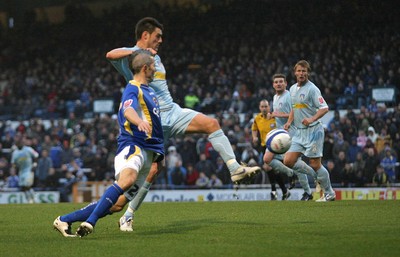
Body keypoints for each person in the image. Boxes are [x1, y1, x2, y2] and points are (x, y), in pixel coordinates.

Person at [106, 17, 260, 230]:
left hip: (172, 111)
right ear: (145, 35)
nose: (161, 40)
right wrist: (137, 54)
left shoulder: (156, 58)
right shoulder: (132, 57)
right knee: (152, 171)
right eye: (157, 36)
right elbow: (110, 55)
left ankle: (235, 169)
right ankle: (126, 213)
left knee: (212, 124)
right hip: (153, 121)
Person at [53, 49, 164, 237]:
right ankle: (90, 223)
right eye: (153, 66)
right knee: (126, 180)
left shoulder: (150, 92)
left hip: (149, 153)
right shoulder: (133, 87)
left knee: (118, 204)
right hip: (133, 146)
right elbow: (128, 111)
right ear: (145, 68)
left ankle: (64, 220)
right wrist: (139, 122)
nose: (156, 69)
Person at [283, 60, 336, 202]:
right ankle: (316, 175)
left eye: (304, 71)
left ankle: (329, 193)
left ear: (308, 73)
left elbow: (324, 108)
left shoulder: (313, 89)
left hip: (313, 131)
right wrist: (289, 122)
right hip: (299, 132)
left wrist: (312, 119)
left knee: (315, 163)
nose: (301, 73)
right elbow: (294, 108)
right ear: (295, 73)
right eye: (299, 71)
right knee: (288, 160)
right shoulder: (293, 89)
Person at [265, 74, 313, 201]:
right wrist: (272, 116)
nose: (278, 84)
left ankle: (308, 192)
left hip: (292, 133)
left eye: (281, 81)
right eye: (276, 82)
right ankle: (290, 174)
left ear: (286, 83)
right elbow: (278, 114)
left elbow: (295, 112)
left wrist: (282, 117)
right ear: (273, 85)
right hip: (280, 134)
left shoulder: (289, 96)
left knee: (295, 163)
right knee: (267, 159)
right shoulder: (275, 97)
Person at [252, 99, 290, 200]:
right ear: (260, 108)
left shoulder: (274, 117)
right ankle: (284, 191)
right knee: (274, 170)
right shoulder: (257, 118)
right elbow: (254, 128)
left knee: (268, 167)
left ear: (269, 107)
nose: (264, 109)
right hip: (264, 146)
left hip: (275, 147)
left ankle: (274, 191)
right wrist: (254, 137)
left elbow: (289, 118)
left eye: (266, 106)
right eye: (262, 107)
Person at [11, 135, 39, 203]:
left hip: (29, 170)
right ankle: (29, 199)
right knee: (23, 187)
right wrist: (14, 168)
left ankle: (34, 199)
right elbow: (13, 163)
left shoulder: (28, 149)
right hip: (21, 171)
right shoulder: (15, 153)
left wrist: (34, 164)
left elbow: (36, 155)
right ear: (16, 145)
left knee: (27, 185)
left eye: (20, 143)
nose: (19, 144)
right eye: (18, 143)